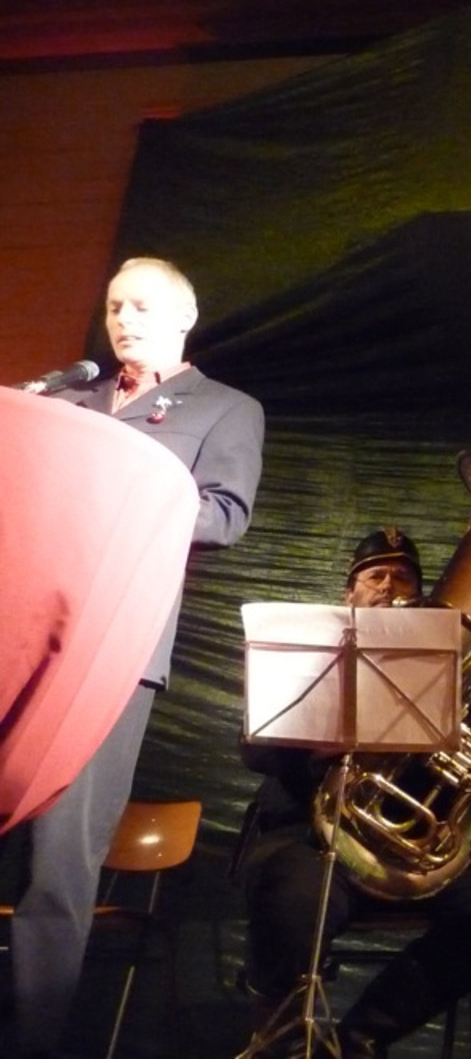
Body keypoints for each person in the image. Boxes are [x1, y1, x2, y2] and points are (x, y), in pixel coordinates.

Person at [4, 256, 264, 1059]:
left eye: (144, 307)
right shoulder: (67, 400)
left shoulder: (226, 409)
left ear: (185, 319)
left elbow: (224, 516)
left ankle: (32, 1042)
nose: (124, 320)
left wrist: (126, 497)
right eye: (116, 306)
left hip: (113, 656)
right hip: (22, 637)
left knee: (58, 865)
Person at [235, 528, 471, 1059]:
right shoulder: (306, 654)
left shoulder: (457, 674)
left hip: (410, 850)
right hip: (306, 837)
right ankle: (280, 1043)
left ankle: (362, 1038)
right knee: (293, 896)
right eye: (375, 576)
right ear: (349, 593)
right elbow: (255, 751)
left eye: (403, 577)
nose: (389, 586)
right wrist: (315, 746)